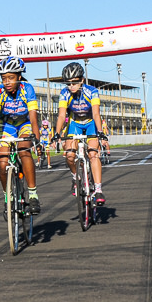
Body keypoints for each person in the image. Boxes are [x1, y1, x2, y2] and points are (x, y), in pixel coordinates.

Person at [0, 57, 42, 214]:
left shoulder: (27, 88)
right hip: (9, 126)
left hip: (25, 124)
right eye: (4, 78)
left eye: (11, 77)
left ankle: (33, 194)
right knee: (2, 161)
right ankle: (7, 197)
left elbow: (34, 118)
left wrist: (37, 140)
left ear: (19, 76)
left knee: (23, 150)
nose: (7, 82)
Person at [55, 62, 107, 204]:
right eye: (68, 83)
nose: (71, 86)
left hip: (91, 122)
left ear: (82, 80)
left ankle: (98, 189)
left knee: (93, 154)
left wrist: (101, 132)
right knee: (70, 155)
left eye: (74, 82)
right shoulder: (64, 93)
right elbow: (61, 115)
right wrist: (57, 133)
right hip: (75, 123)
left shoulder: (92, 91)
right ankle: (75, 177)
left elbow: (96, 114)